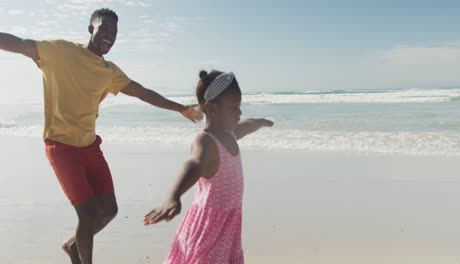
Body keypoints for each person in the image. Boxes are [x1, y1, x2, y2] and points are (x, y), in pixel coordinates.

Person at [0, 8, 202, 264]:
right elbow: (19, 44)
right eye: (104, 28)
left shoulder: (110, 72)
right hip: (61, 147)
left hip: (90, 146)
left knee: (109, 210)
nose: (109, 35)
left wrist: (180, 108)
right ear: (90, 29)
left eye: (114, 32)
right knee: (87, 214)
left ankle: (74, 246)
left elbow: (142, 92)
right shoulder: (61, 52)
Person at [144, 70, 274, 263]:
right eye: (234, 107)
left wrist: (260, 122)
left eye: (240, 106)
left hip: (228, 226)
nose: (239, 112)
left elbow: (247, 125)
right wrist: (174, 196)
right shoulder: (206, 141)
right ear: (211, 108)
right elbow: (194, 164)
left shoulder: (229, 133)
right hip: (209, 230)